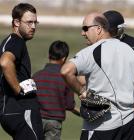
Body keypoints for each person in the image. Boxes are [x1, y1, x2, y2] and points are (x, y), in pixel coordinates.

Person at [61, 12, 134, 140]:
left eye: (85, 28)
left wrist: (81, 90)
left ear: (98, 29)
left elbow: (66, 71)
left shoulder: (93, 51)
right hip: (129, 124)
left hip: (102, 126)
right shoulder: (130, 50)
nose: (82, 33)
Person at [0, 3, 43, 140]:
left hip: (10, 110)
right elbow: (5, 62)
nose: (34, 27)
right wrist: (18, 89)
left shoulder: (8, 42)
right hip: (22, 110)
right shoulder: (16, 41)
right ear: (16, 22)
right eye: (29, 22)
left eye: (35, 22)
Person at [32, 40, 80, 140]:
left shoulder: (36, 76)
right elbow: (70, 105)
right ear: (64, 59)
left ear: (49, 55)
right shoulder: (65, 78)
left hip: (36, 120)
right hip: (54, 122)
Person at [103, 10, 134, 115]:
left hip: (129, 103)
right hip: (103, 102)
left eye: (109, 30)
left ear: (120, 29)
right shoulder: (97, 45)